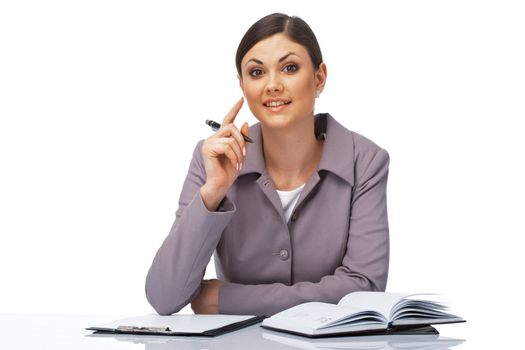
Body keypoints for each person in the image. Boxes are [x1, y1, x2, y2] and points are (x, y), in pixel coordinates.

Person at [145, 13, 390, 316]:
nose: (272, 85)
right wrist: (213, 192)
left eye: (289, 68)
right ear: (242, 85)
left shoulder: (364, 161)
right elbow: (164, 296)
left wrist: (227, 300)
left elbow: (364, 290)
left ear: (319, 78)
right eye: (257, 72)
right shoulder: (212, 159)